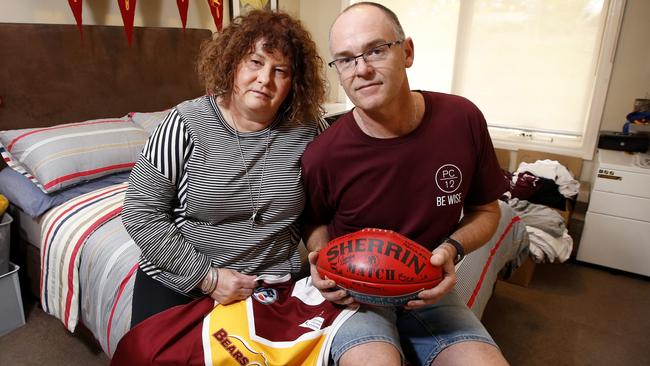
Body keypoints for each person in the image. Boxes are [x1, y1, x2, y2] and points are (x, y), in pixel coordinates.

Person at [301, 2, 509, 365]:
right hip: (356, 291)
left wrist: (453, 249)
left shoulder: (463, 119)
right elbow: (314, 221)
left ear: (407, 51)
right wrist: (321, 263)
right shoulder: (323, 154)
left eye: (376, 50)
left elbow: (486, 210)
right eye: (346, 60)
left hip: (429, 285)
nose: (362, 69)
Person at [122, 10, 326, 328]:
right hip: (181, 283)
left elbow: (326, 206)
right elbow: (140, 212)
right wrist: (208, 277)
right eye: (255, 62)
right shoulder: (185, 122)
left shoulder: (310, 130)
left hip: (271, 285)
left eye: (280, 70)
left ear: (294, 83)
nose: (264, 79)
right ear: (232, 62)